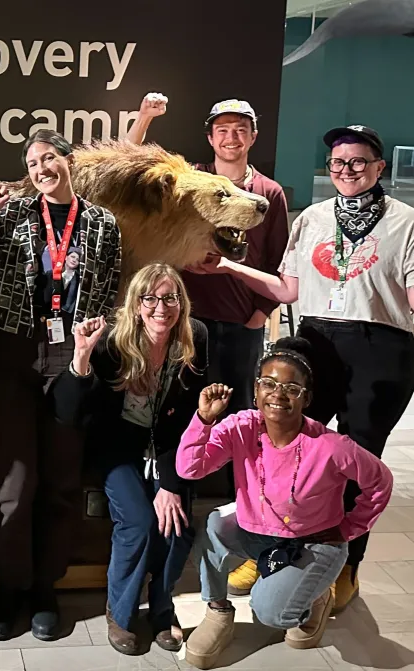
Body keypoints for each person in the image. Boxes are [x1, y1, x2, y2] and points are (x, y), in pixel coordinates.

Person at [190, 124, 414, 613]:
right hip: (316, 342)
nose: (347, 170)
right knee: (284, 449)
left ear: (379, 167)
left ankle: (346, 563)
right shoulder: (312, 218)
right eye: (338, 163)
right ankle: (270, 548)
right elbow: (288, 289)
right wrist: (227, 268)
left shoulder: (407, 222)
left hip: (380, 348)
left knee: (357, 462)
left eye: (358, 161)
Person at [0, 129, 122, 641]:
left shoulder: (102, 224)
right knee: (14, 485)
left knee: (61, 480)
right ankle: (10, 587)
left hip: (71, 355)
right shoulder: (10, 214)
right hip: (13, 350)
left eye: (49, 158)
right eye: (33, 163)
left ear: (69, 161)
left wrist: (91, 341)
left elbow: (110, 287)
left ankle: (44, 588)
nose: (41, 169)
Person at [129, 93, 289, 544]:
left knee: (239, 416)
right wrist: (145, 117)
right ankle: (177, 501)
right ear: (210, 136)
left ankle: (245, 512)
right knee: (182, 411)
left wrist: (260, 314)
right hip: (186, 324)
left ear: (253, 137)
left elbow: (279, 261)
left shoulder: (270, 193)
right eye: (223, 130)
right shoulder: (191, 181)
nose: (231, 138)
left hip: (240, 325)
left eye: (240, 130)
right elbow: (132, 167)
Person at [176, 338, 393, 670]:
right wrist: (203, 420)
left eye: (292, 388)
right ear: (256, 389)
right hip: (257, 531)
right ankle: (218, 611)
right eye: (269, 383)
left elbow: (380, 481)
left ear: (306, 398)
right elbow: (190, 469)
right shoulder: (240, 428)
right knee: (214, 525)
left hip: (312, 542)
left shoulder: (331, 446)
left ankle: (315, 595)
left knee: (272, 614)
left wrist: (350, 528)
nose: (278, 394)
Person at [49, 263, 207, 655]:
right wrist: (81, 356)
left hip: (170, 448)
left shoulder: (195, 338)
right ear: (136, 304)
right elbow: (67, 412)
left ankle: (162, 609)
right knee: (138, 521)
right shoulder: (112, 342)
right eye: (150, 299)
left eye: (169, 298)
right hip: (117, 446)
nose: (160, 308)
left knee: (177, 523)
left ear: (182, 303)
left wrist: (170, 483)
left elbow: (190, 419)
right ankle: (120, 613)